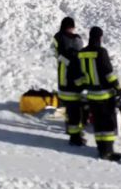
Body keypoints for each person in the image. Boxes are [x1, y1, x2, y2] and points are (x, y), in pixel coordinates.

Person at [77, 27, 121, 161]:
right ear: (100, 37)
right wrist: (118, 87)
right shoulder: (101, 52)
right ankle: (108, 152)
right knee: (107, 124)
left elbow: (80, 75)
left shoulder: (82, 53)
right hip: (105, 95)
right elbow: (108, 72)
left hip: (92, 94)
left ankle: (101, 149)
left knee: (98, 123)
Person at [52, 17, 86, 146]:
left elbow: (56, 53)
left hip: (68, 77)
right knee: (74, 106)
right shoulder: (66, 38)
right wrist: (70, 62)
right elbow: (56, 53)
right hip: (72, 77)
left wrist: (68, 61)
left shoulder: (69, 38)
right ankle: (74, 132)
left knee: (71, 106)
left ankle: (73, 130)